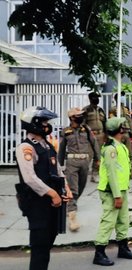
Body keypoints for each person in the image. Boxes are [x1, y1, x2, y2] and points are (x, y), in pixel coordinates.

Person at [15, 106, 73, 270]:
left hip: (51, 203)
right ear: (34, 124)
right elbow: (30, 178)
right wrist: (53, 194)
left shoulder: (47, 144)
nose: (48, 125)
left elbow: (58, 169)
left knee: (48, 242)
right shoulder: (26, 147)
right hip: (37, 203)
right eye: (44, 122)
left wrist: (66, 187)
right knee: (40, 247)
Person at [93, 117, 132, 266]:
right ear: (119, 130)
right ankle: (99, 253)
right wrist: (117, 195)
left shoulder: (120, 146)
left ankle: (123, 248)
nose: (125, 128)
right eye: (123, 126)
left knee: (123, 220)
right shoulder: (111, 148)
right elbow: (111, 173)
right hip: (111, 191)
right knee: (108, 221)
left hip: (121, 189)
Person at [57, 107, 100, 232]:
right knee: (73, 189)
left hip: (85, 162)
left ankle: (71, 204)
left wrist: (98, 158)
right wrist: (59, 166)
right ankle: (72, 217)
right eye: (78, 115)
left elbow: (94, 143)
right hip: (72, 162)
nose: (81, 117)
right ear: (71, 118)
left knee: (81, 187)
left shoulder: (86, 129)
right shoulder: (66, 132)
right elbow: (61, 149)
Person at [109, 91, 132, 180]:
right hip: (117, 134)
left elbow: (129, 121)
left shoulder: (125, 109)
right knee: (116, 154)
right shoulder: (113, 109)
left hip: (126, 134)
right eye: (121, 96)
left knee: (129, 154)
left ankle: (131, 172)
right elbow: (112, 122)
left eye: (123, 96)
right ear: (116, 99)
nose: (123, 98)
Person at [83, 91, 107, 183]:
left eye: (97, 98)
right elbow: (83, 124)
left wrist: (106, 135)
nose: (96, 99)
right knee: (88, 156)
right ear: (90, 99)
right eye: (94, 97)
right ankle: (83, 174)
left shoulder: (100, 110)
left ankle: (95, 174)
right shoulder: (86, 110)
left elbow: (105, 123)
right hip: (90, 135)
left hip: (100, 135)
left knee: (98, 156)